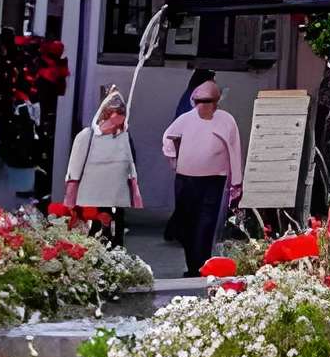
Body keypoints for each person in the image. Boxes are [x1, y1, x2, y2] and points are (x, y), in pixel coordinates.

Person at [161, 80, 244, 266]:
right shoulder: (186, 119)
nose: (204, 106)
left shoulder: (226, 120)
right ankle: (192, 263)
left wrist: (236, 181)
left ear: (216, 102)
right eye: (200, 101)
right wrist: (174, 160)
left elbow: (234, 149)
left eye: (208, 102)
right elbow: (168, 138)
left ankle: (202, 265)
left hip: (214, 178)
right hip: (186, 178)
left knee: (206, 222)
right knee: (187, 221)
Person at [62, 88, 142, 234]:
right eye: (115, 120)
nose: (116, 126)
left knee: (114, 230)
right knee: (94, 229)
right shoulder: (87, 136)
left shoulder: (123, 136)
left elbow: (130, 162)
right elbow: (75, 167)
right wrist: (71, 196)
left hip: (116, 193)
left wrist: (133, 188)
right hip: (92, 193)